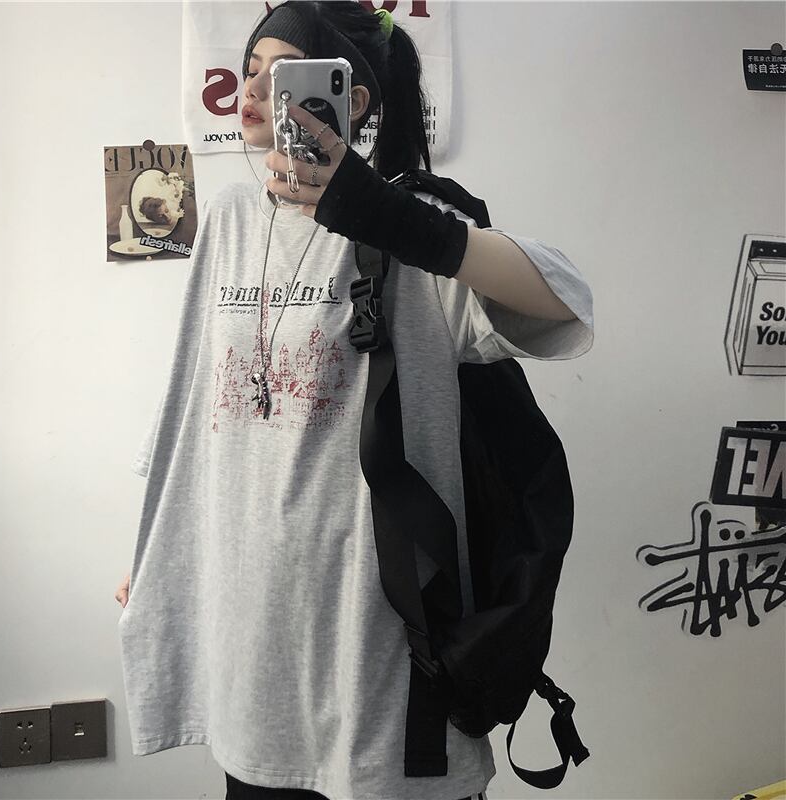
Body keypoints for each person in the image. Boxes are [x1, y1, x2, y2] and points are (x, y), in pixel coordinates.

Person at [115, 3, 595, 800]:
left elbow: (567, 305)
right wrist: (155, 555)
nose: (252, 89)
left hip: (380, 651)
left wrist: (394, 219)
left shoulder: (408, 221)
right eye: (248, 70)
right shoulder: (229, 218)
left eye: (283, 73)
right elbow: (191, 405)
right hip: (251, 650)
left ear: (350, 96)